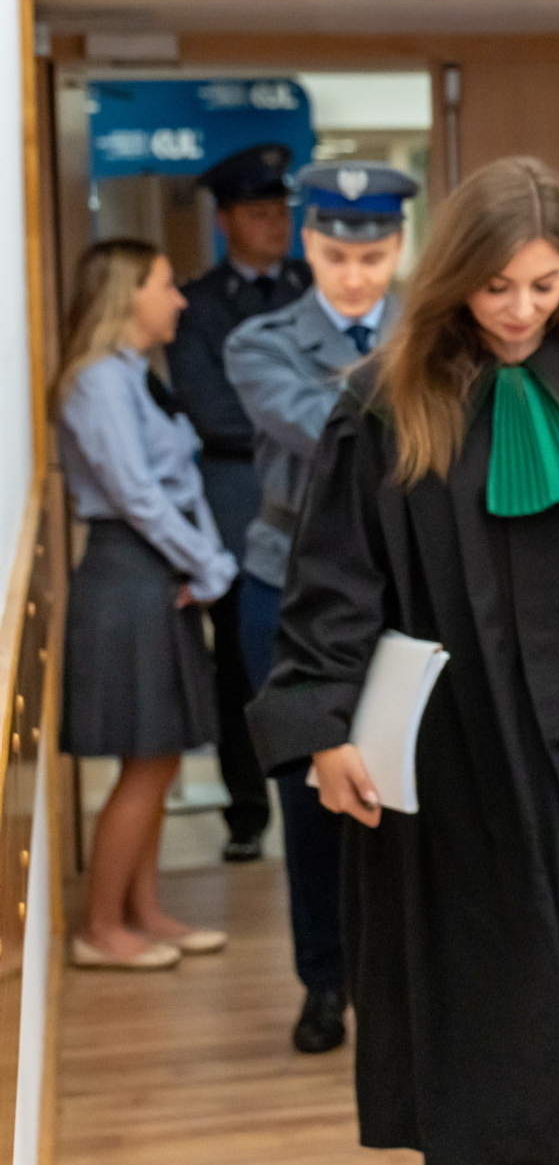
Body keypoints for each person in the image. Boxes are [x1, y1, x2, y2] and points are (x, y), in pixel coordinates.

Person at [245, 156, 559, 1165]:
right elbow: (335, 581)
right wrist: (322, 727)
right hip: (462, 740)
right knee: (494, 977)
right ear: (456, 272)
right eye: (497, 285)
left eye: (544, 284)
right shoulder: (384, 405)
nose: (520, 309)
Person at [224, 159, 416, 1055]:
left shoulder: (434, 329)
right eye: (337, 256)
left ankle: (401, 974)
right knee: (311, 797)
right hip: (290, 583)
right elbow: (320, 428)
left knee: (405, 789)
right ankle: (325, 977)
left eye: (373, 258)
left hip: (405, 588)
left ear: (398, 248)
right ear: (308, 244)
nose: (355, 276)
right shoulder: (259, 340)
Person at [57, 239, 236, 969]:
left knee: (158, 757)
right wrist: (210, 562)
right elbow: (134, 494)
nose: (180, 299)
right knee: (149, 760)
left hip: (158, 570)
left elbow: (179, 483)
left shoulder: (138, 375)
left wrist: (205, 559)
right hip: (129, 573)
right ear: (128, 293)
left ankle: (144, 910)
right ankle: (102, 928)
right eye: (166, 284)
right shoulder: (99, 380)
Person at [164, 142, 311, 862]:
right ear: (225, 222)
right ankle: (247, 811)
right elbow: (211, 410)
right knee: (241, 669)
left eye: (282, 212)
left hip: (319, 496)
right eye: (259, 214)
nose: (276, 225)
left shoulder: (315, 286)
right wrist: (297, 410)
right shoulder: (197, 305)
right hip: (237, 497)